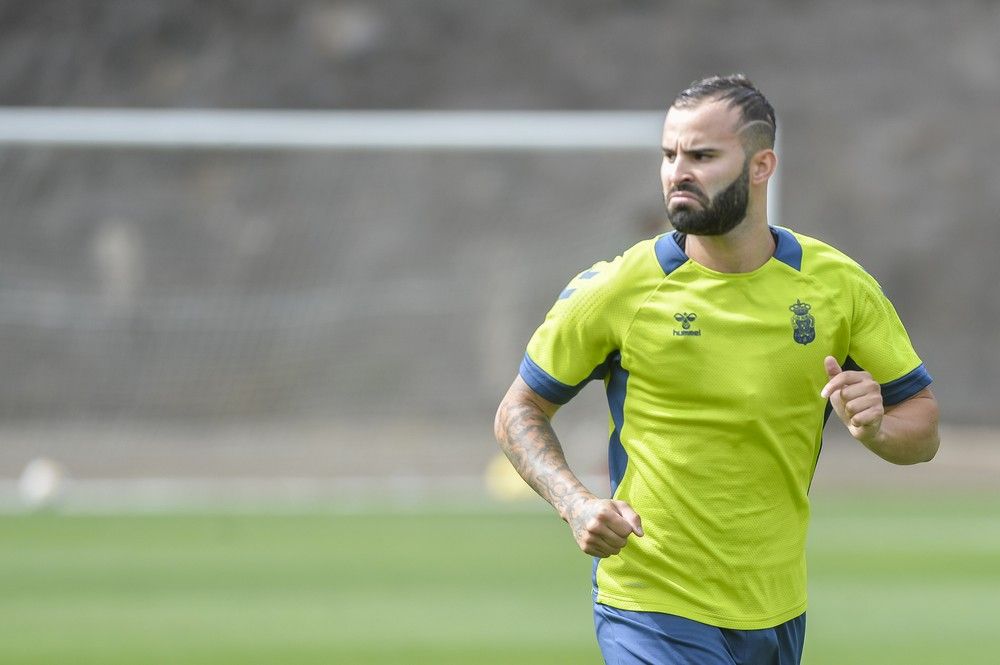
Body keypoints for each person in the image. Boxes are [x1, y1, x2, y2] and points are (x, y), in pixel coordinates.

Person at [493, 74, 939, 665]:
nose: (678, 171)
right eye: (669, 154)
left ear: (761, 166)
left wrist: (878, 428)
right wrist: (576, 503)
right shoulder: (622, 287)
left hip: (775, 609)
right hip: (651, 604)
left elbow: (924, 427)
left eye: (702, 155)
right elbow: (518, 410)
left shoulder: (838, 287)